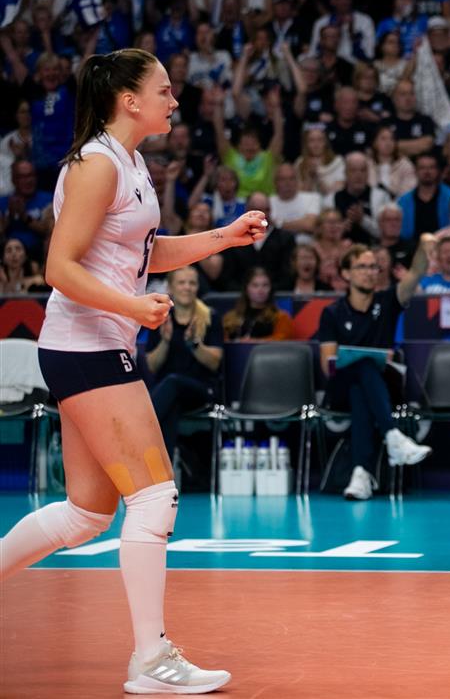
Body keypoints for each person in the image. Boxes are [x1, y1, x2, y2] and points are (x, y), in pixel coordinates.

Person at [0, 48, 268, 694]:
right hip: (88, 343)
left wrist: (223, 237)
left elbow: (144, 253)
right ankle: (151, 660)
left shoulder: (131, 162)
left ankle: (151, 658)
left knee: (86, 514)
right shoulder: (96, 164)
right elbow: (59, 268)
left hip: (88, 342)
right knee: (153, 496)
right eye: (164, 90)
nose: (174, 100)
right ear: (129, 100)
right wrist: (132, 307)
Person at [317, 239, 435, 500]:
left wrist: (424, 245)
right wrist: (355, 359)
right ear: (346, 273)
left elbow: (416, 273)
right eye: (362, 267)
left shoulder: (388, 301)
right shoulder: (333, 313)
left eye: (373, 267)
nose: (370, 272)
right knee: (362, 369)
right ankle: (392, 437)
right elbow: (328, 366)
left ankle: (362, 473)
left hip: (384, 388)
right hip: (340, 388)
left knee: (363, 385)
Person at [145, 266, 222, 456]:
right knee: (172, 403)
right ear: (170, 287)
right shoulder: (161, 318)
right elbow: (151, 366)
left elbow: (215, 363)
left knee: (173, 382)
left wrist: (194, 344)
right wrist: (165, 341)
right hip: (170, 394)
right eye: (181, 283)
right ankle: (166, 469)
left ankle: (141, 427)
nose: (187, 287)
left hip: (201, 390)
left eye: (192, 283)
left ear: (197, 287)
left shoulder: (210, 316)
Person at [221, 266, 294, 340]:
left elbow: (282, 340)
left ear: (271, 289)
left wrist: (253, 342)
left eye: (265, 285)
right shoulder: (230, 317)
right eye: (255, 285)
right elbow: (221, 341)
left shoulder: (281, 317)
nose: (260, 290)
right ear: (246, 289)